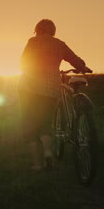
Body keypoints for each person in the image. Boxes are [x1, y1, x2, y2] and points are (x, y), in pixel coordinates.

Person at [18, 19, 91, 171]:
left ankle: (38, 164)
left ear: (37, 29)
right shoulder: (59, 44)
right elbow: (75, 60)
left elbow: (22, 62)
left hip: (30, 88)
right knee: (45, 123)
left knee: (30, 124)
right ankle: (48, 153)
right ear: (53, 30)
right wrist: (83, 67)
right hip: (51, 89)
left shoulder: (33, 42)